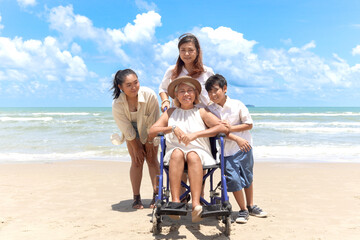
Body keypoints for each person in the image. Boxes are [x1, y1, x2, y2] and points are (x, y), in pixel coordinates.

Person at [149, 76, 228, 222]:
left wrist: (196, 135)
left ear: (195, 94)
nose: (186, 94)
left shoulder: (201, 112)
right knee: (178, 153)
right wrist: (172, 128)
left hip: (199, 152)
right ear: (177, 95)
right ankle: (175, 202)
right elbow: (152, 131)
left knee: (192, 155)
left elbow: (223, 127)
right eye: (182, 91)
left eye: (190, 90)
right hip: (175, 153)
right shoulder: (171, 112)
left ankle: (196, 205)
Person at [205, 74, 267, 224]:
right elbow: (214, 130)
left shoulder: (237, 104)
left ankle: (251, 206)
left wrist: (230, 128)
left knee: (247, 177)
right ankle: (243, 209)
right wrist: (222, 129)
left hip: (244, 146)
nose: (213, 95)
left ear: (224, 89)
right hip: (225, 151)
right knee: (233, 179)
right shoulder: (209, 109)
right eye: (210, 92)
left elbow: (249, 124)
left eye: (216, 90)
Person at [111, 69, 160, 210]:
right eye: (129, 85)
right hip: (131, 130)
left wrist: (150, 141)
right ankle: (136, 197)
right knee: (137, 161)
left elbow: (154, 121)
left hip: (150, 127)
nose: (134, 87)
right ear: (120, 87)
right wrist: (137, 146)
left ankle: (156, 195)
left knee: (152, 159)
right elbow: (126, 128)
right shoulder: (117, 104)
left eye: (136, 83)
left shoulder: (149, 95)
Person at [159, 33, 214, 111]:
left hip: (203, 115)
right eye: (183, 50)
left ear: (197, 51)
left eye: (190, 50)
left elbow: (215, 92)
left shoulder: (207, 72)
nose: (186, 54)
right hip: (178, 114)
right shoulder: (172, 71)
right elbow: (163, 89)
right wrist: (165, 101)